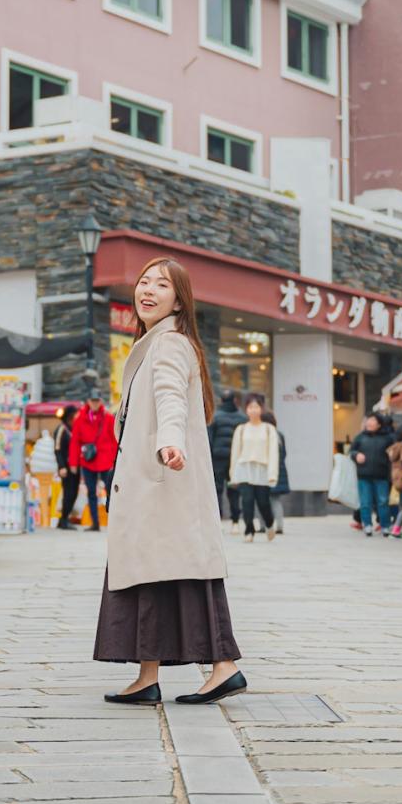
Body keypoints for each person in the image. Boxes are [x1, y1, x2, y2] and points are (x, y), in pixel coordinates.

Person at [95, 257, 245, 706]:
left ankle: (223, 667)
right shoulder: (156, 341)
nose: (148, 290)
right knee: (156, 578)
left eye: (162, 285)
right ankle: (149, 678)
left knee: (176, 575)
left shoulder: (169, 345)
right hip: (155, 486)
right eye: (143, 281)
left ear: (179, 299)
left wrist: (170, 442)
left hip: (162, 482)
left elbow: (170, 397)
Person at [227, 395, 280, 543]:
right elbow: (235, 452)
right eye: (250, 407)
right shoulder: (241, 429)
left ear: (262, 409)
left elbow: (273, 453)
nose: (253, 410)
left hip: (262, 470)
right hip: (245, 469)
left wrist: (272, 473)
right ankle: (249, 530)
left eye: (256, 407)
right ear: (246, 410)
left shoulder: (269, 429)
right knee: (247, 501)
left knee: (263, 502)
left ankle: (269, 524)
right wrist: (233, 473)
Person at [65, 394, 117, 531]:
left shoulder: (108, 418)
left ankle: (114, 522)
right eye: (92, 401)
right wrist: (73, 463)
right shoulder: (80, 418)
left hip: (106, 460)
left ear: (100, 401)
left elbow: (114, 439)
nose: (94, 403)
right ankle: (95, 523)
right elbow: (75, 441)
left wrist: (115, 460)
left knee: (110, 491)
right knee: (91, 492)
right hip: (88, 459)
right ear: (88, 401)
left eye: (97, 401)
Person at [348, 413, 394, 536]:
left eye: (372, 420)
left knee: (383, 501)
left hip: (382, 475)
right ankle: (367, 524)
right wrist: (356, 455)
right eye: (368, 420)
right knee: (365, 502)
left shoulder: (388, 438)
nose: (369, 422)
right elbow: (351, 451)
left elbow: (395, 449)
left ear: (379, 424)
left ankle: (385, 526)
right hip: (363, 475)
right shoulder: (360, 437)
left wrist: (392, 454)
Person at [208, 389, 244, 531]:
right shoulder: (242, 418)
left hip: (218, 459)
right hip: (235, 460)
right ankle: (235, 521)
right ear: (235, 400)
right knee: (234, 490)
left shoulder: (215, 417)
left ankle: (219, 521)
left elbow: (209, 440)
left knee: (217, 490)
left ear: (222, 401)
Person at [262, 409, 290, 536]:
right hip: (280, 472)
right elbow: (284, 454)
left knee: (262, 499)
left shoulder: (263, 435)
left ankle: (263, 525)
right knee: (275, 500)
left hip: (266, 471)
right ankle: (279, 526)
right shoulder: (280, 435)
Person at [53, 406, 78, 530]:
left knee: (73, 493)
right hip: (65, 468)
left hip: (75, 467)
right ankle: (63, 520)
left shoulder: (73, 429)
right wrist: (61, 466)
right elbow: (57, 449)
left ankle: (64, 518)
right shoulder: (61, 429)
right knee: (68, 493)